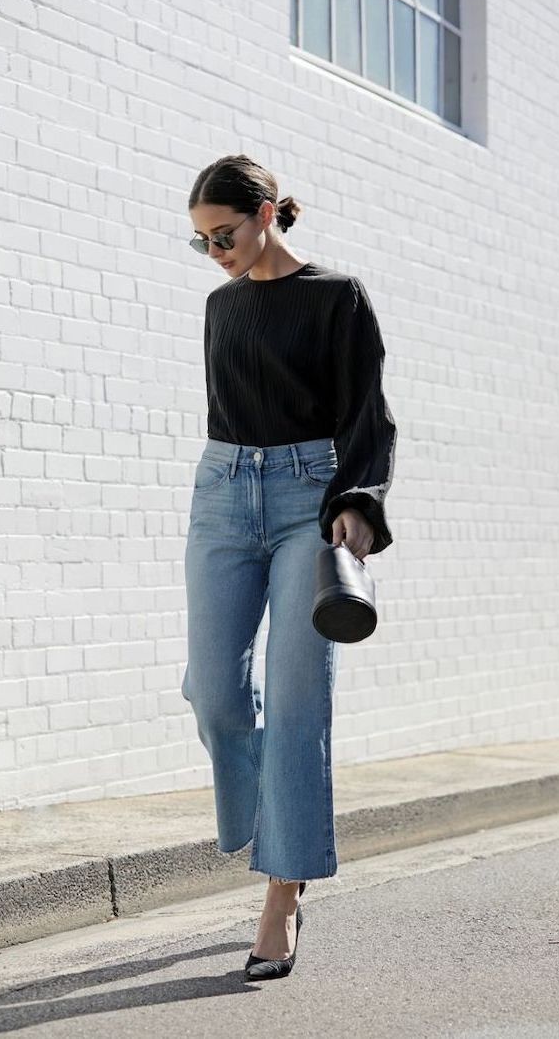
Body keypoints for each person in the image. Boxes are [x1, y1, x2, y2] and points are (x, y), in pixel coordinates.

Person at [181, 154, 398, 981]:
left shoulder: (337, 296)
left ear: (266, 213)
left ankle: (283, 892)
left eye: (224, 234)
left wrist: (357, 501)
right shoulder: (219, 307)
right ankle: (271, 815)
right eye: (200, 242)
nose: (216, 253)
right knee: (216, 689)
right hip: (224, 491)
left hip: (311, 494)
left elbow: (366, 413)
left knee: (299, 702)